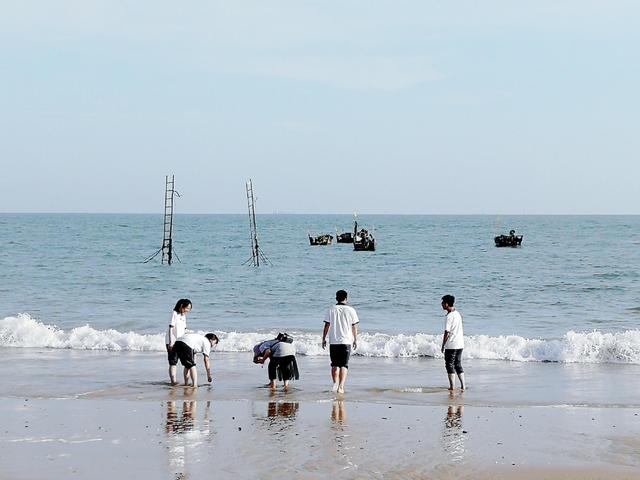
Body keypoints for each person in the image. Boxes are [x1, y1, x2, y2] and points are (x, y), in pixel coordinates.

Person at [322, 290, 359, 394]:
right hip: (346, 341)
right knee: (344, 365)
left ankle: (335, 384)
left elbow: (326, 326)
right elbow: (354, 326)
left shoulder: (331, 309)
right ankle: (341, 387)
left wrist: (323, 338)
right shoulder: (351, 310)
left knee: (334, 364)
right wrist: (355, 339)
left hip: (333, 341)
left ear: (336, 298)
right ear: (346, 299)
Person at [440, 294, 465, 391]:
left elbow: (447, 332)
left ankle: (452, 387)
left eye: (442, 303)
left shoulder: (449, 316)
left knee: (449, 364)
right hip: (460, 343)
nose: (441, 305)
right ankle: (463, 386)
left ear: (446, 304)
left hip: (452, 344)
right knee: (458, 364)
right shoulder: (457, 314)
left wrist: (443, 345)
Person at [165, 299, 192, 385]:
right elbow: (171, 328)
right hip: (172, 341)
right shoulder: (174, 313)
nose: (188, 310)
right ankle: (173, 381)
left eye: (189, 309)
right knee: (173, 362)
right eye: (187, 308)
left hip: (181, 341)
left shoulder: (183, 316)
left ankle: (186, 382)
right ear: (181, 306)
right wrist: (171, 342)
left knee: (186, 362)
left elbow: (184, 330)